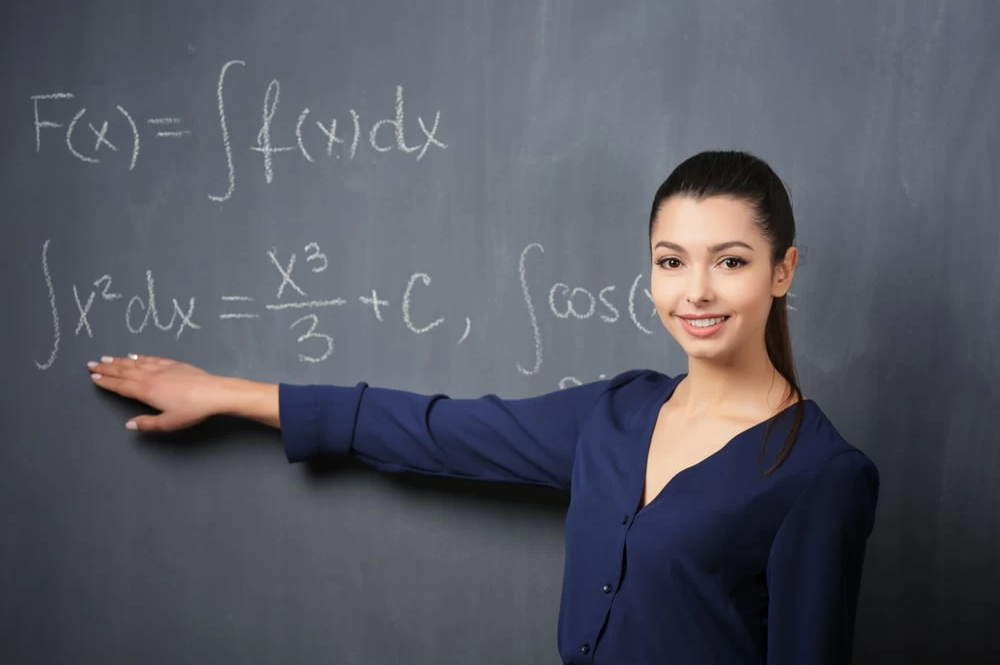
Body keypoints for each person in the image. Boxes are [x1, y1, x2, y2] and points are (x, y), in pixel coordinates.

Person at [87, 150, 880, 664]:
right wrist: (219, 393)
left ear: (782, 271)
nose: (696, 291)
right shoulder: (615, 414)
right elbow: (434, 430)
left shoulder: (821, 474)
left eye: (730, 261)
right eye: (671, 261)